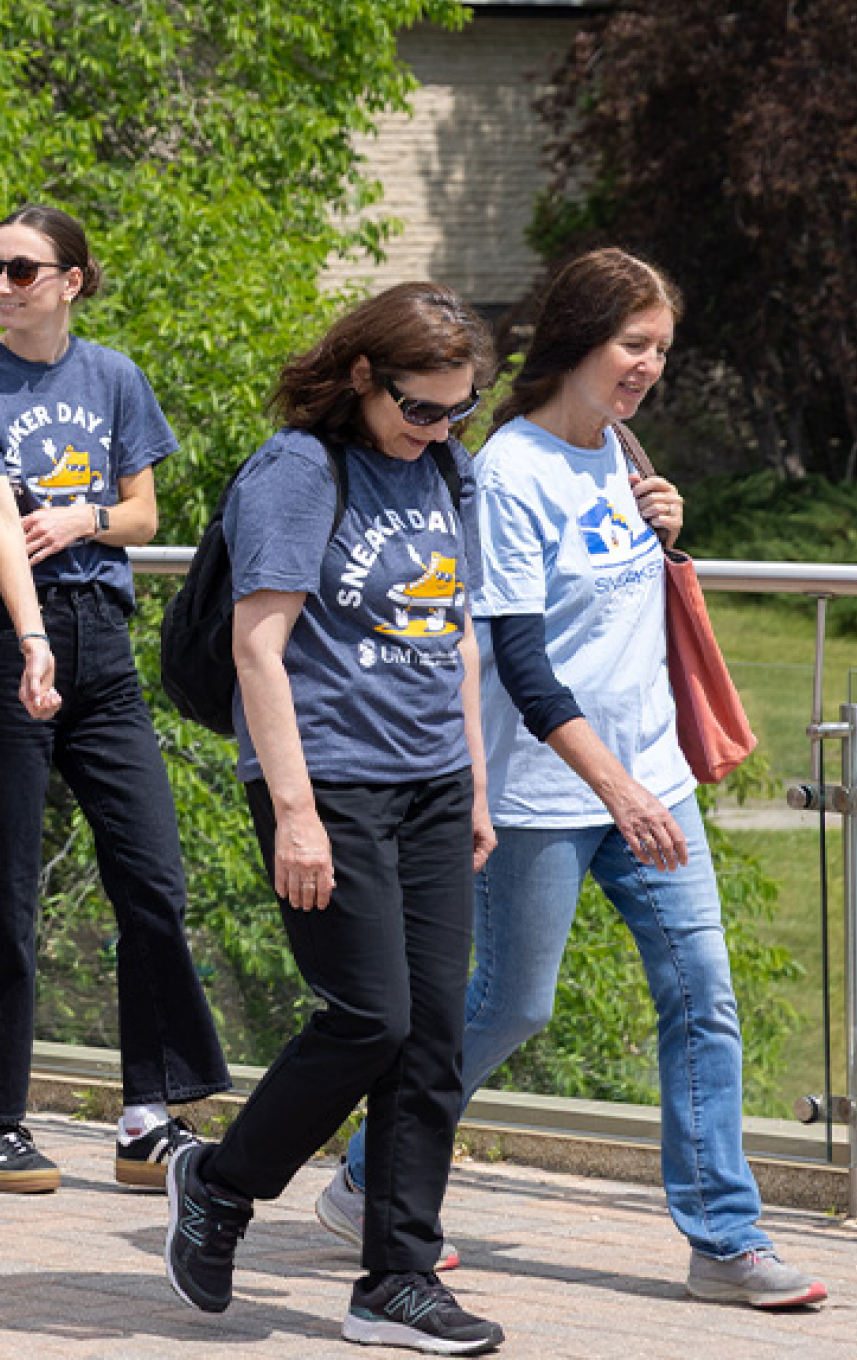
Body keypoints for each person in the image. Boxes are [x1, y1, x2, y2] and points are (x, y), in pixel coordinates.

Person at [324, 249, 826, 1311]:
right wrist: (616, 790)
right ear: (578, 338)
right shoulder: (505, 469)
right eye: (631, 344)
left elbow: (616, 599)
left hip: (648, 777)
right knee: (509, 1006)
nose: (647, 366)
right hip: (546, 791)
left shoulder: (616, 449)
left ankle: (723, 1238)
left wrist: (664, 532)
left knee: (703, 999)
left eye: (660, 350)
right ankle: (367, 1179)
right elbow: (520, 660)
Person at [159, 282, 507, 1355]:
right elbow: (258, 645)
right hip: (330, 783)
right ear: (362, 377)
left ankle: (394, 1282)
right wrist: (295, 815)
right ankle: (219, 1182)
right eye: (420, 409)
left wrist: (477, 782)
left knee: (434, 1037)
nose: (440, 430)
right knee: (371, 1017)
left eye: (460, 411)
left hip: (433, 783)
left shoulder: (442, 467)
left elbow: (452, 633)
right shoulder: (299, 471)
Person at [0, 204, 227, 1196]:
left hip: (105, 645)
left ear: (72, 280)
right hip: (12, 640)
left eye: (23, 270)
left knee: (151, 879)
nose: (2, 285)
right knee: (0, 890)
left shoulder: (113, 377)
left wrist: (87, 516)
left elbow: (143, 513)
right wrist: (29, 640)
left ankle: (149, 1116)